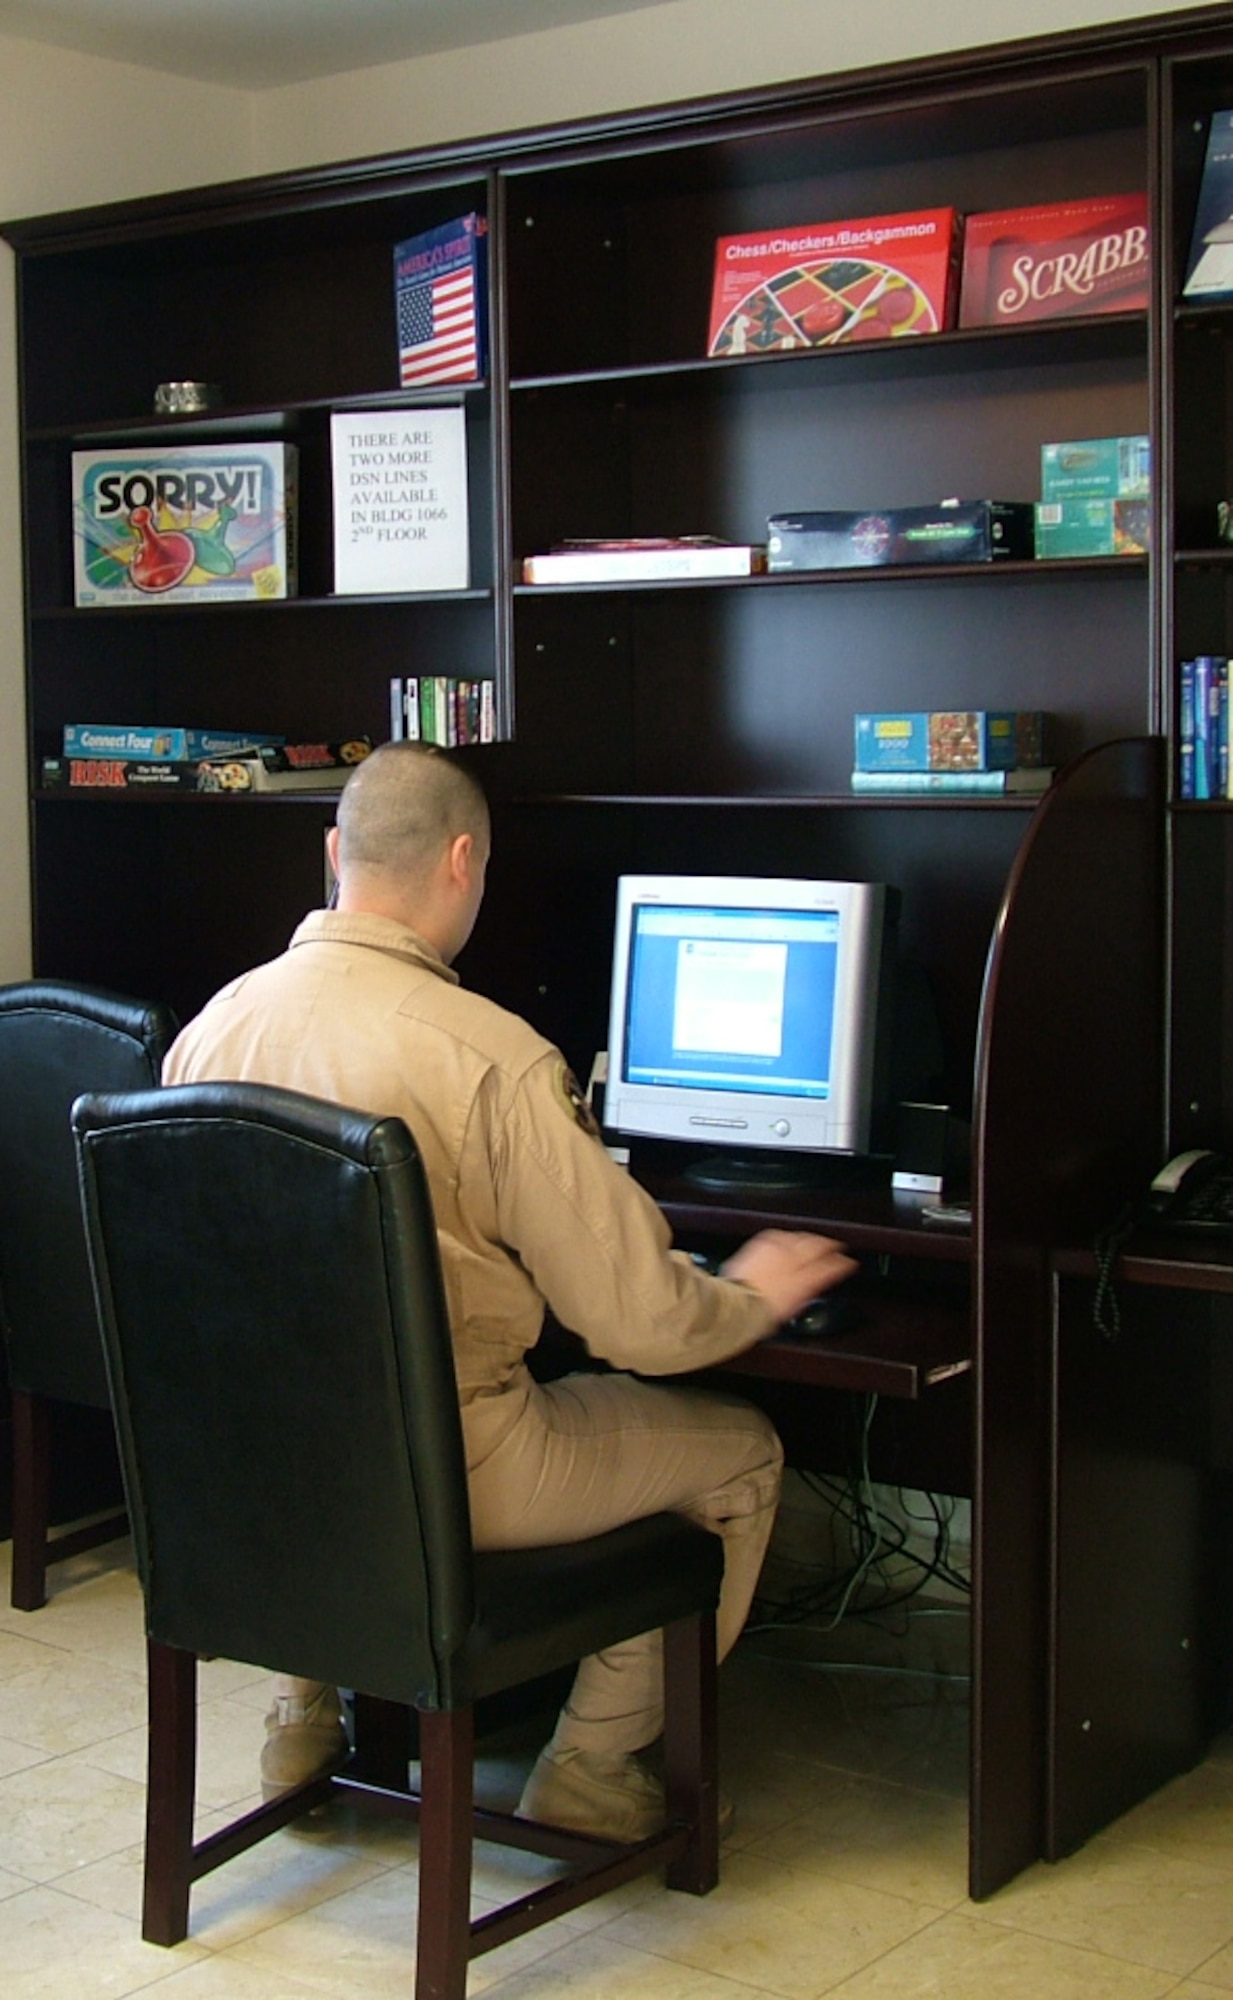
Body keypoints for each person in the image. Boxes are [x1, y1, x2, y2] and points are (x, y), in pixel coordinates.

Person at [162, 740, 857, 1839]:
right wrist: (752, 1291)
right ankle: (589, 1762)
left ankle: (304, 1708)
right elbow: (639, 1323)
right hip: (460, 1470)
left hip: (260, 1470)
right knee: (743, 1454)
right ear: (463, 859)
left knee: (323, 1414)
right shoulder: (490, 1057)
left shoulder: (211, 1029)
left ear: (334, 852)